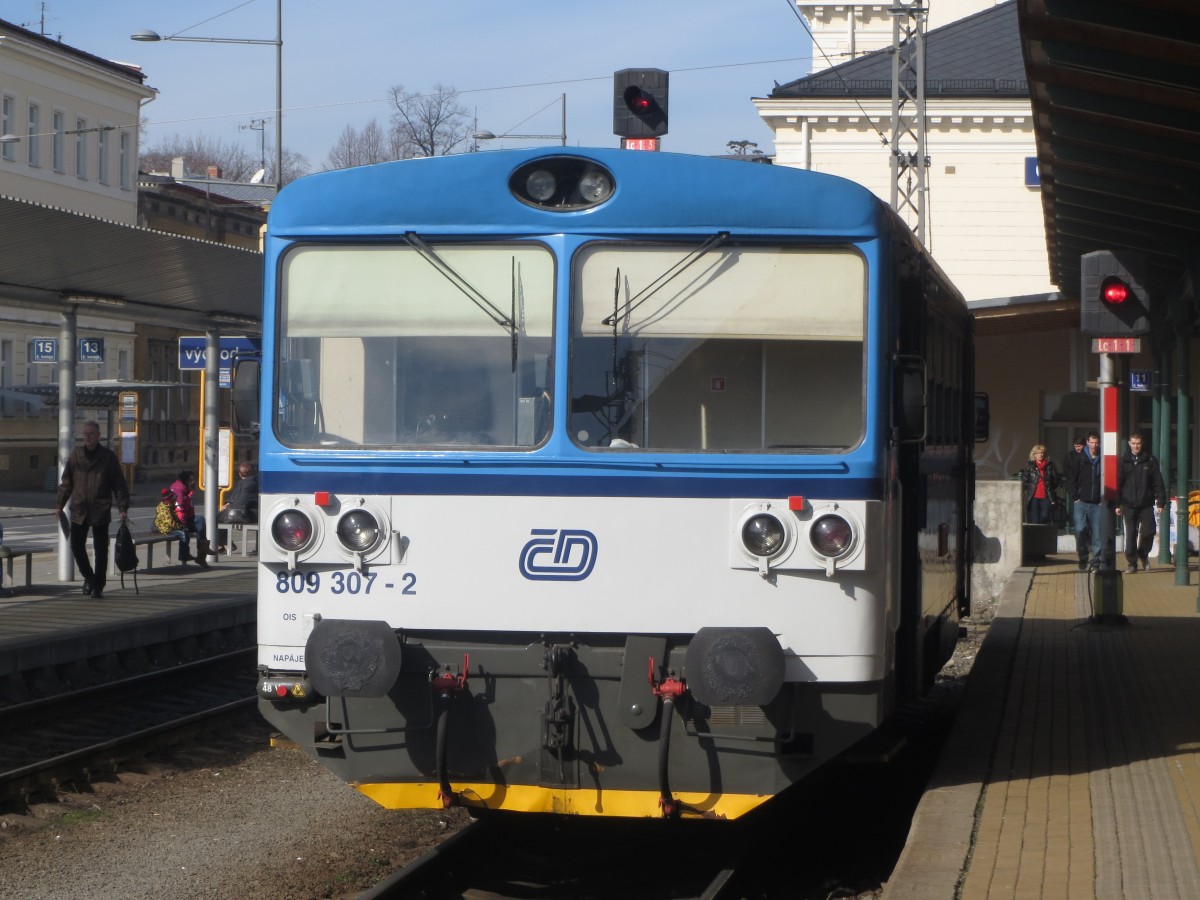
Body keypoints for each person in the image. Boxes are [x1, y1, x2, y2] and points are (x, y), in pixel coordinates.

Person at [55, 420, 129, 599]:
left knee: (100, 549)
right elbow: (66, 483)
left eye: (91, 434)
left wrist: (122, 507)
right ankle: (89, 577)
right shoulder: (76, 455)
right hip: (80, 508)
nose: (87, 437)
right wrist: (59, 506)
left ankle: (99, 586)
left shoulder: (108, 457)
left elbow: (119, 484)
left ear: (98, 436)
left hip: (100, 507)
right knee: (76, 546)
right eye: (85, 434)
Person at [1115, 432, 1167, 574]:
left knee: (1149, 531)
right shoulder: (1124, 460)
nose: (1136, 446)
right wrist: (1117, 504)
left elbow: (1158, 482)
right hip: (1129, 504)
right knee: (1130, 534)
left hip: (1146, 503)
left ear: (1142, 444)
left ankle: (1142, 553)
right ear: (1129, 444)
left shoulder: (1150, 460)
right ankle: (1132, 563)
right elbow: (1118, 483)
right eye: (1133, 443)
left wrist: (1161, 502)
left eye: (1138, 443)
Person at [1066, 432, 1104, 571]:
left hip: (1097, 503)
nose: (1094, 445)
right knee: (1080, 530)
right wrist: (1075, 496)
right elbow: (1071, 478)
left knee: (1097, 534)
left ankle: (1095, 562)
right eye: (1092, 442)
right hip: (1081, 502)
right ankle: (1083, 556)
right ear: (1087, 442)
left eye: (1096, 443)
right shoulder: (1079, 459)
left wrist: (1102, 498)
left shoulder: (1103, 459)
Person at [169, 470, 210, 568]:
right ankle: (184, 555)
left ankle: (201, 555)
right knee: (185, 532)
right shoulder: (177, 489)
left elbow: (190, 510)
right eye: (190, 480)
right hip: (178, 521)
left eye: (193, 480)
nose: (193, 482)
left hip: (187, 519)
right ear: (184, 481)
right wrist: (183, 525)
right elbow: (179, 510)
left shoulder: (187, 490)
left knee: (200, 520)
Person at [217, 462, 259, 553]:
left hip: (247, 513)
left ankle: (226, 544)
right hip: (253, 512)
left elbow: (240, 501)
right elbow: (236, 498)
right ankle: (223, 544)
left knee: (217, 518)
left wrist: (228, 506)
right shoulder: (253, 482)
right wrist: (228, 503)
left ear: (239, 473)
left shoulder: (245, 484)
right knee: (221, 516)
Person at [1063, 436, 1090, 569]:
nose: (1078, 448)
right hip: (1078, 496)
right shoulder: (1071, 457)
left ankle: (1090, 555)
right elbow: (1069, 475)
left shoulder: (1090, 457)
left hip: (1089, 496)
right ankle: (1083, 554)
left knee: (1089, 526)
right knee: (1079, 527)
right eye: (1076, 446)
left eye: (1080, 445)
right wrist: (1074, 494)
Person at [1020, 444, 1061, 524]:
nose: (1040, 455)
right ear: (1034, 455)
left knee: (1045, 515)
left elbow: (1055, 479)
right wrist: (1027, 490)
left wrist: (1050, 488)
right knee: (1034, 519)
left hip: (1045, 495)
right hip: (1033, 496)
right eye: (1038, 453)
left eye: (1042, 453)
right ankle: (1037, 534)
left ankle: (1040, 528)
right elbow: (1025, 479)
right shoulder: (1030, 466)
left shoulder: (1049, 465)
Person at [154, 487, 193, 564]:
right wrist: (180, 527)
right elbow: (170, 523)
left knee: (185, 532)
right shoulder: (164, 508)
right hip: (166, 528)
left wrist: (181, 525)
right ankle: (183, 555)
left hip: (171, 527)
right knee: (183, 534)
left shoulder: (170, 506)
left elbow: (176, 519)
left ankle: (185, 553)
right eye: (173, 498)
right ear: (168, 499)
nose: (174, 500)